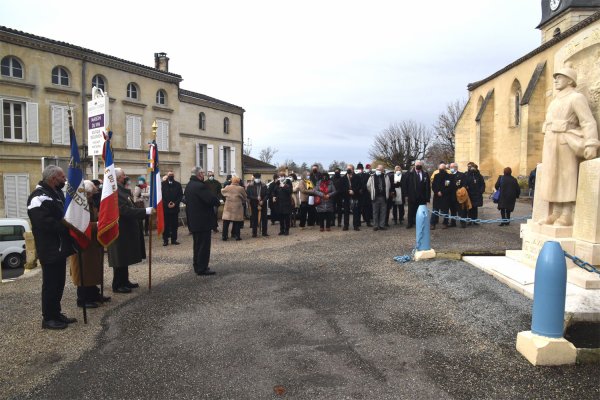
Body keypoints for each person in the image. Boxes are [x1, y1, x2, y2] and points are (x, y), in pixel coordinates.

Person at [538, 63, 600, 226]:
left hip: (566, 141)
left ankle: (567, 214)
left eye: (560, 77)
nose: (556, 80)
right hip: (551, 142)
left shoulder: (576, 98)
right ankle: (556, 212)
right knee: (553, 178)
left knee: (566, 178)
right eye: (556, 77)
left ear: (570, 80)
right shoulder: (554, 101)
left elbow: (587, 121)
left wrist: (591, 143)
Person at [27, 166, 77, 329]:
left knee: (59, 283)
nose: (64, 180)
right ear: (53, 178)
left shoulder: (55, 194)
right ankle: (48, 318)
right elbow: (43, 222)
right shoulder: (38, 197)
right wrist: (66, 227)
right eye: (62, 177)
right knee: (50, 284)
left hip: (60, 247)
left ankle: (56, 313)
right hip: (49, 248)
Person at [108, 168, 151, 293]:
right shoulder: (115, 192)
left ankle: (124, 280)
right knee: (119, 257)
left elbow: (129, 206)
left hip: (126, 229)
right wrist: (144, 211)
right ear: (117, 178)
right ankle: (118, 284)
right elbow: (124, 210)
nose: (125, 177)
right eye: (123, 175)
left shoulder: (122, 191)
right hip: (120, 229)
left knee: (125, 256)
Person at [69, 180, 109, 308]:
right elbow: (77, 225)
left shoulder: (90, 202)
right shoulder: (78, 205)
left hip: (92, 242)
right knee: (83, 272)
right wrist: (97, 225)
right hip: (82, 243)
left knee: (92, 270)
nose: (94, 195)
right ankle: (83, 299)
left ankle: (93, 294)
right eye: (92, 193)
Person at [184, 167, 221, 275]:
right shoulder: (200, 186)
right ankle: (202, 268)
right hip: (203, 221)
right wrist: (217, 201)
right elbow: (212, 199)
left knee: (197, 245)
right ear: (199, 174)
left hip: (194, 221)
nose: (204, 175)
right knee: (203, 246)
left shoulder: (189, 185)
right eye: (203, 173)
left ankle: (197, 266)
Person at [402, 160, 430, 229]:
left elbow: (428, 186)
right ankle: (410, 223)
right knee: (411, 210)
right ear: (414, 165)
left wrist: (428, 197)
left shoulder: (425, 174)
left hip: (422, 196)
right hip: (412, 195)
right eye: (417, 164)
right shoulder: (409, 173)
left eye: (420, 164)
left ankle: (421, 223)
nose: (418, 166)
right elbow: (404, 185)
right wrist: (406, 195)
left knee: (421, 210)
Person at [221, 176, 247, 241]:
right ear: (238, 181)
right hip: (237, 206)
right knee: (237, 222)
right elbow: (245, 196)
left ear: (232, 181)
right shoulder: (240, 188)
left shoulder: (227, 187)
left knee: (226, 222)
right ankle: (237, 236)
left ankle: (224, 236)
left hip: (228, 206)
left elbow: (222, 191)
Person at [161, 170, 183, 246]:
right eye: (170, 175)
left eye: (172, 175)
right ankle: (165, 240)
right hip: (166, 208)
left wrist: (175, 203)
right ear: (167, 176)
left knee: (174, 225)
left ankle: (174, 239)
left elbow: (180, 196)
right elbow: (161, 196)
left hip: (175, 208)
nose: (171, 176)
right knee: (166, 225)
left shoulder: (178, 184)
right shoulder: (162, 184)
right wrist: (167, 203)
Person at [366, 165, 391, 231]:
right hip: (375, 197)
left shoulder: (386, 176)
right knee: (375, 212)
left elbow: (389, 185)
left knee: (383, 212)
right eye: (377, 169)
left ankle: (382, 225)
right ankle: (375, 226)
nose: (378, 170)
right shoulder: (372, 176)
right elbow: (368, 186)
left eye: (380, 169)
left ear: (383, 170)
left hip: (383, 197)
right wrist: (372, 192)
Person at [430, 163, 454, 230]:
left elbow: (450, 187)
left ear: (445, 169)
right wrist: (437, 191)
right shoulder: (436, 176)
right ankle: (432, 224)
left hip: (445, 197)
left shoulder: (449, 176)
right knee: (435, 211)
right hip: (437, 196)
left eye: (442, 169)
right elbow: (433, 186)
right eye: (440, 169)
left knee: (446, 211)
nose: (441, 170)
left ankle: (445, 223)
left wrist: (442, 192)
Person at [246, 173, 269, 237]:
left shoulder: (264, 185)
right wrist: (256, 198)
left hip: (263, 204)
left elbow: (267, 194)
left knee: (264, 218)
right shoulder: (250, 186)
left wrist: (263, 201)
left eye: (258, 178)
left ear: (260, 178)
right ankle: (254, 233)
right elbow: (248, 195)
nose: (257, 179)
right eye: (256, 178)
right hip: (254, 204)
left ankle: (264, 232)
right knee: (254, 218)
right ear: (254, 178)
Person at [341, 164, 363, 231]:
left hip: (355, 196)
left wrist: (354, 191)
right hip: (346, 197)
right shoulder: (343, 178)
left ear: (353, 169)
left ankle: (355, 226)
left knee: (356, 212)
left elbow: (359, 186)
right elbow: (341, 188)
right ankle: (346, 225)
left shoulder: (357, 177)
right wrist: (348, 191)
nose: (348, 170)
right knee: (346, 212)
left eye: (350, 168)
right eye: (347, 168)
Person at [272, 170, 293, 235]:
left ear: (284, 176)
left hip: (286, 203)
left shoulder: (288, 182)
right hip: (279, 203)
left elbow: (290, 191)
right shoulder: (277, 183)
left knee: (286, 218)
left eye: (282, 176)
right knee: (281, 218)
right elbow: (274, 191)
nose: (281, 177)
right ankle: (282, 230)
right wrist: (273, 196)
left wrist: (284, 186)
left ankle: (287, 230)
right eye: (280, 176)